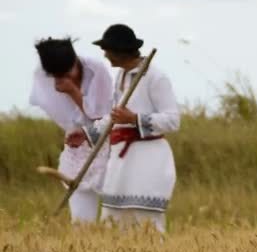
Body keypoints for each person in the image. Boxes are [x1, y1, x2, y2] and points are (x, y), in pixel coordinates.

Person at [66, 24, 180, 233]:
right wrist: (86, 133)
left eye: (107, 49)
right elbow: (115, 116)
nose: (104, 54)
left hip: (148, 160)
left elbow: (173, 120)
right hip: (121, 162)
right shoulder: (121, 76)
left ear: (119, 51)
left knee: (146, 223)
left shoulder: (155, 77)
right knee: (114, 221)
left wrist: (135, 118)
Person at [29, 37, 112, 224]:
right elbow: (66, 117)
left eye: (67, 73)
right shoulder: (43, 76)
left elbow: (100, 117)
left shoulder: (96, 71)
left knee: (115, 212)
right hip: (76, 146)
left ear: (75, 61)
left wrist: (73, 91)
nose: (62, 80)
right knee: (81, 218)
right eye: (56, 76)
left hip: (107, 141)